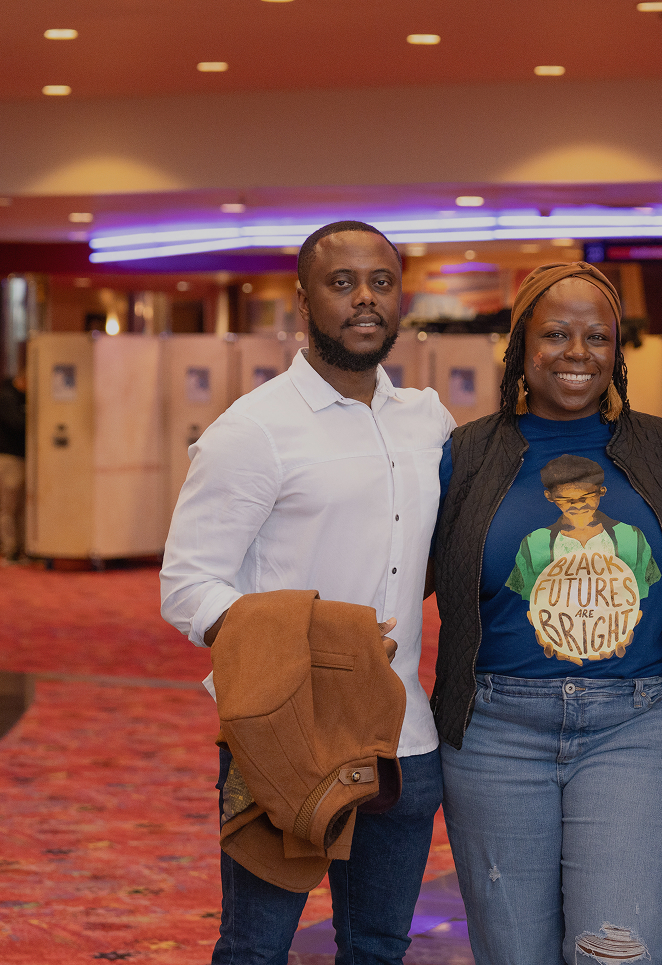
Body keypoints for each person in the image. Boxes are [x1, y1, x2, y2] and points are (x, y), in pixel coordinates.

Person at [160, 221, 454, 965]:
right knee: (256, 949)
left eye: (381, 283)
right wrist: (314, 640)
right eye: (342, 282)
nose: (364, 299)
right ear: (303, 303)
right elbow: (187, 585)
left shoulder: (429, 422)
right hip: (283, 736)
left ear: (400, 300)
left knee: (379, 947)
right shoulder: (255, 430)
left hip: (404, 739)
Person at [430, 263, 662, 965]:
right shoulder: (467, 455)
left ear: (618, 351)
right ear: (522, 345)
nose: (577, 352)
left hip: (639, 726)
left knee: (614, 951)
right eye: (556, 333)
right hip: (495, 730)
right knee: (513, 953)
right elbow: (405, 573)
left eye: (598, 336)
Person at [0, 361, 28, 565]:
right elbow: (18, 424)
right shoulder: (7, 398)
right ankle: (9, 550)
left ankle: (22, 549)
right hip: (7, 460)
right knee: (8, 508)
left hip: (20, 460)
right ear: (22, 379)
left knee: (21, 508)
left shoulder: (22, 398)